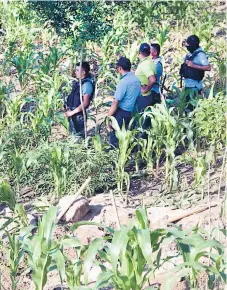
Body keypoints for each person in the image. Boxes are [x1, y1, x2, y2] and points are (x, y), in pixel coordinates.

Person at [108, 57, 141, 148]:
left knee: (115, 138)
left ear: (120, 68)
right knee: (126, 136)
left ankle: (115, 158)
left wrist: (109, 117)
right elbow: (138, 97)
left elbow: (115, 102)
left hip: (120, 112)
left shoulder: (123, 82)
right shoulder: (137, 80)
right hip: (131, 112)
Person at [180, 35, 211, 111]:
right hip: (188, 85)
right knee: (187, 107)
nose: (187, 46)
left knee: (192, 109)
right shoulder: (190, 53)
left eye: (188, 45)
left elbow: (208, 67)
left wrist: (193, 65)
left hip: (195, 87)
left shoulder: (200, 55)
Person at [64, 61, 94, 138]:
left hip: (78, 116)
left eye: (77, 70)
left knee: (77, 138)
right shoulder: (79, 83)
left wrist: (72, 112)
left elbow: (85, 103)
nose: (75, 72)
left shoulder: (86, 85)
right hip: (74, 114)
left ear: (83, 72)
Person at [135, 43, 156, 113]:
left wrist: (145, 90)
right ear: (149, 52)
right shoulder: (150, 62)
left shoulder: (145, 64)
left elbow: (152, 79)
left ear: (139, 52)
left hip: (143, 97)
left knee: (140, 118)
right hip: (147, 96)